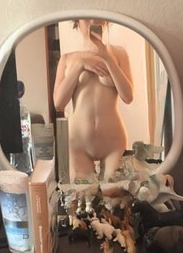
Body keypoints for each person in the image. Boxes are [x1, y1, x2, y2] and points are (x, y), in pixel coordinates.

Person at [53, 20, 134, 181]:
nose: (92, 21)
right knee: (82, 194)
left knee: (115, 192)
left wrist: (107, 58)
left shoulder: (119, 54)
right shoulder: (67, 59)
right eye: (86, 18)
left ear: (106, 21)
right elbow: (59, 103)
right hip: (78, 143)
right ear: (77, 22)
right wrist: (80, 65)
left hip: (113, 141)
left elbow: (128, 96)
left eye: (96, 17)